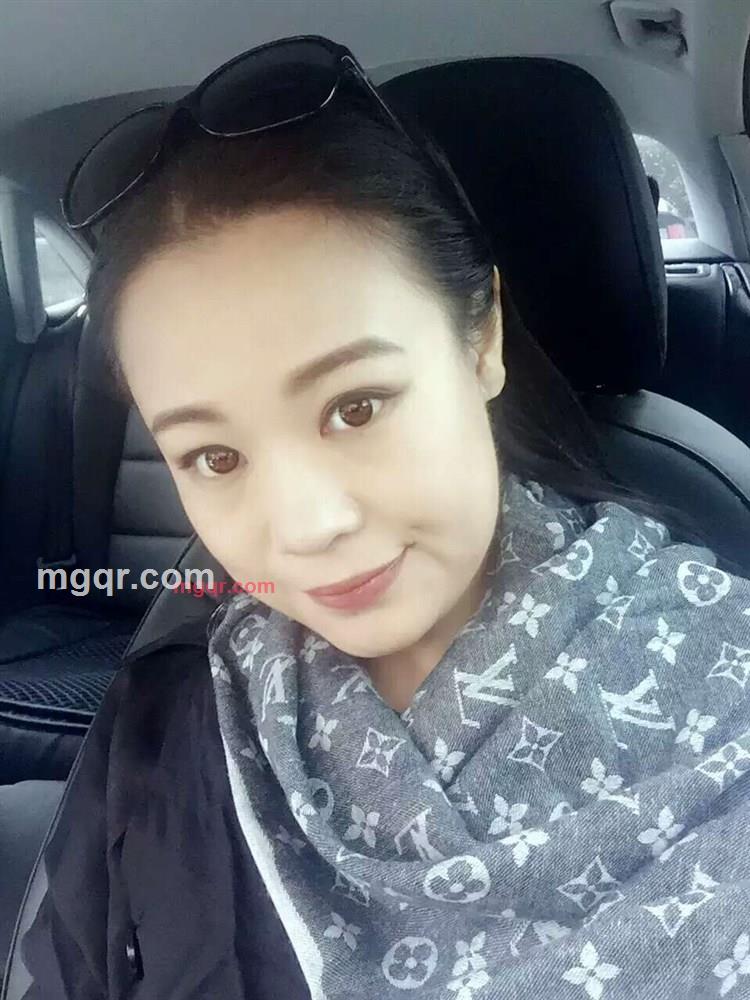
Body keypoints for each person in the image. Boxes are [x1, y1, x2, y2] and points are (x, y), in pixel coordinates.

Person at [17, 35, 750, 1000]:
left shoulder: (726, 681)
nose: (308, 527)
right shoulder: (171, 715)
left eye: (356, 407)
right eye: (215, 458)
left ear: (481, 339)